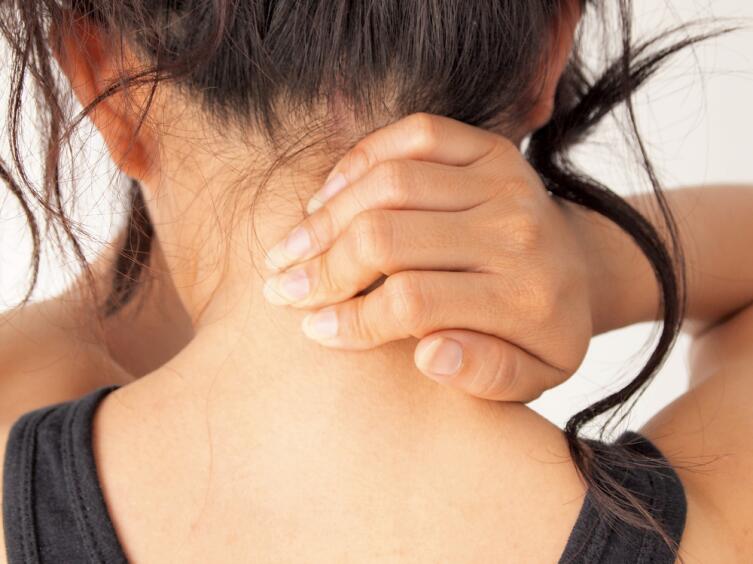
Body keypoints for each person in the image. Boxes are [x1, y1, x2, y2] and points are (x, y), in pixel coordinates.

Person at [0, 0, 750, 561]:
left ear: (98, 75)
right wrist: (599, 264)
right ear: (550, 50)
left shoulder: (14, 460)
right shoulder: (706, 531)